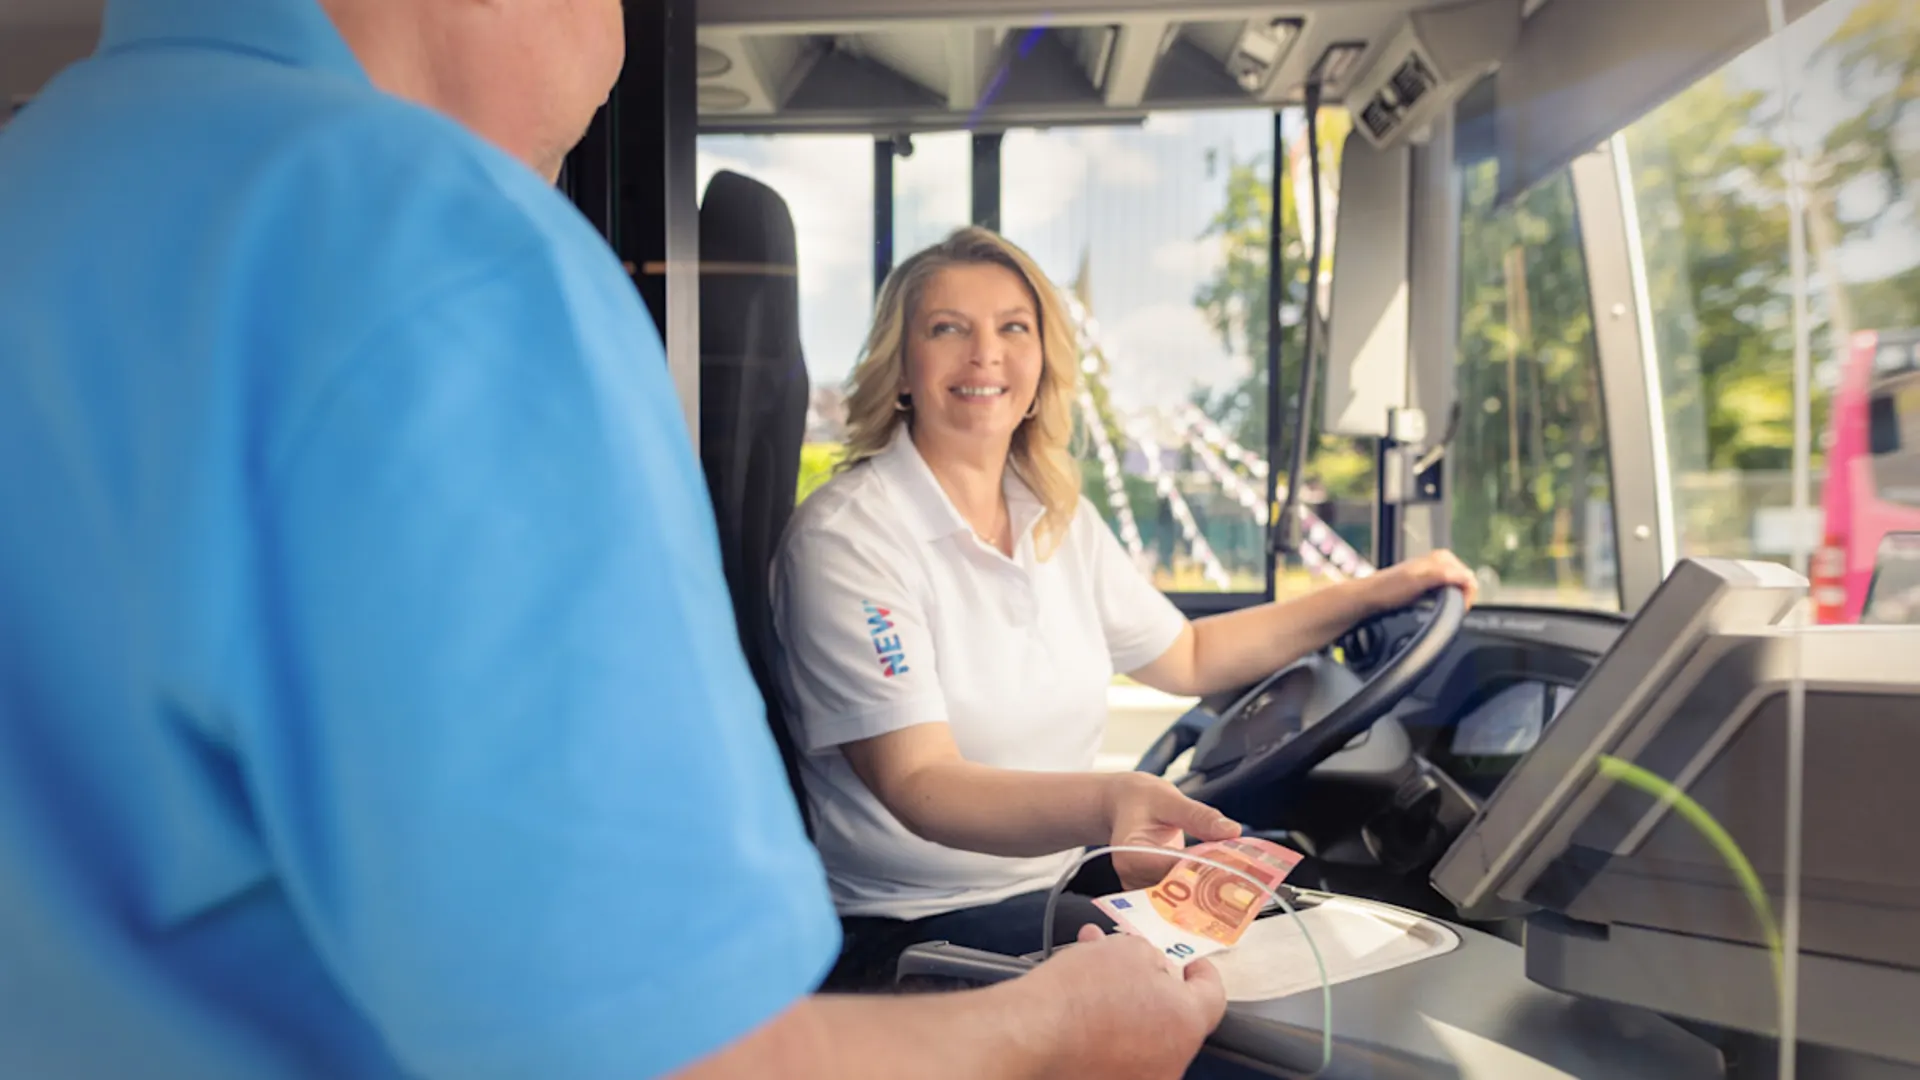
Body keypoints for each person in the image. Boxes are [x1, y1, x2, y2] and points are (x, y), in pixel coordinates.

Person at [0, 1, 1226, 1078]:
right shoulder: (435, 253)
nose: (611, 61)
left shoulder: (42, 177)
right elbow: (671, 1059)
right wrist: (1056, 1037)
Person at [771, 227, 1478, 988]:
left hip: (1060, 888)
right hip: (911, 930)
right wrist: (1111, 803)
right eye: (948, 329)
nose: (986, 354)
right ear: (901, 367)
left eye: (1014, 327)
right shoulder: (848, 539)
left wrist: (1374, 592)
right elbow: (920, 782)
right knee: (1229, 1003)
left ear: (1042, 363)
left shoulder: (1055, 517)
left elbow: (1189, 657)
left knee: (1320, 948)